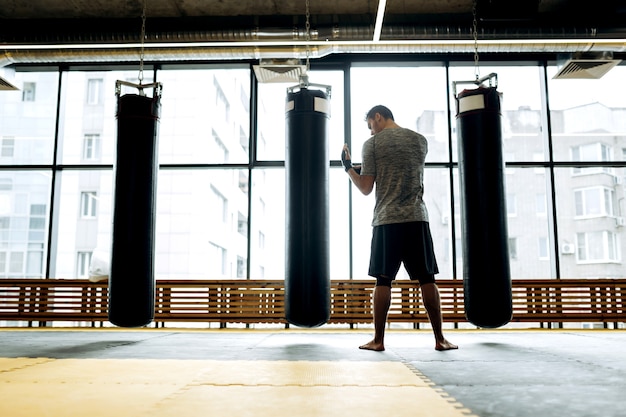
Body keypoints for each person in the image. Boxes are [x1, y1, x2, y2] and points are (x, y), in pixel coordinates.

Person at [341, 105, 457, 352]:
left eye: (371, 125)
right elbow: (402, 171)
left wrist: (349, 167)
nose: (371, 132)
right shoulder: (420, 141)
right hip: (416, 216)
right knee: (427, 279)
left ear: (378, 117)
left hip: (387, 220)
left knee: (383, 280)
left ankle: (378, 340)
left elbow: (365, 187)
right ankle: (440, 339)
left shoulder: (371, 145)